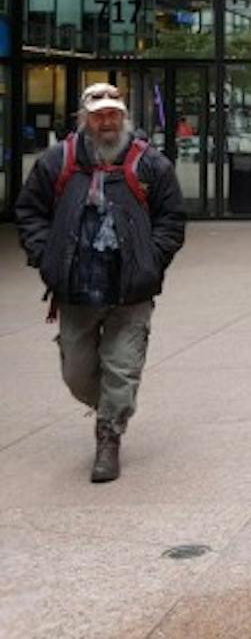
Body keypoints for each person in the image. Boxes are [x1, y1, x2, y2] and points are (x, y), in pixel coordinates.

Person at [15, 83, 186, 482]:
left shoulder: (151, 164)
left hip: (131, 287)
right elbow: (30, 212)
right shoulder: (58, 162)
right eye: (99, 115)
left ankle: (109, 435)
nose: (107, 121)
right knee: (77, 372)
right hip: (77, 286)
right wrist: (47, 258)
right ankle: (112, 404)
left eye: (113, 114)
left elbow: (171, 220)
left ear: (124, 117)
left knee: (122, 366)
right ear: (84, 119)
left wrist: (151, 261)